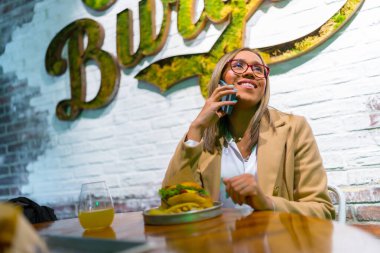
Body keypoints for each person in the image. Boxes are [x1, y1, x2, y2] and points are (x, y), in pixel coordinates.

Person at [162, 48, 335, 219]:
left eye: (258, 69)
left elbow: (323, 211)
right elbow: (172, 203)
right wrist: (197, 127)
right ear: (220, 80)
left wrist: (267, 203)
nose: (250, 73)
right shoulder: (203, 136)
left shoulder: (294, 128)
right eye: (238, 65)